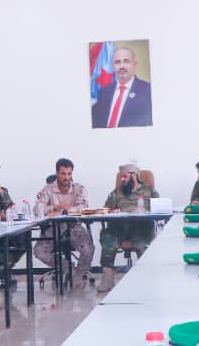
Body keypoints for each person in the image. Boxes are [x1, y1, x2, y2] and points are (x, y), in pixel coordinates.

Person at [34, 158, 95, 289]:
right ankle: (69, 269)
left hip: (73, 225)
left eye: (69, 174)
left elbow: (83, 207)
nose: (66, 177)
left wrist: (63, 211)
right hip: (53, 227)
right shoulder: (48, 190)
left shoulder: (79, 188)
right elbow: (37, 210)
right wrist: (54, 207)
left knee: (88, 249)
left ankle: (79, 275)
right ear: (57, 173)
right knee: (39, 252)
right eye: (63, 174)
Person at [98, 164, 159, 292]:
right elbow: (105, 209)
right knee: (108, 238)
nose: (122, 180)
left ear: (134, 175)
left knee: (142, 244)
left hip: (141, 227)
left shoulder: (149, 191)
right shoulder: (116, 193)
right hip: (119, 226)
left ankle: (147, 279)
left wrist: (146, 210)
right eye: (121, 177)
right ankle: (107, 277)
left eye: (125, 176)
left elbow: (160, 208)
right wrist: (112, 211)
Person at [90, 47, 153, 128]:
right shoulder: (104, 91)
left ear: (135, 64)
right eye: (117, 62)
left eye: (126, 61)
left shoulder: (148, 90)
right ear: (113, 66)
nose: (121, 66)